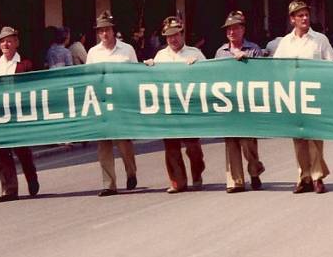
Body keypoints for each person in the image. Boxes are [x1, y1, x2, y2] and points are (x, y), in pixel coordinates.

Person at [273, 0, 333, 194]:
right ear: (292, 19)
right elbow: (278, 68)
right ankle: (304, 176)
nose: (305, 18)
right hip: (293, 95)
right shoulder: (285, 42)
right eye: (300, 15)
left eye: (306, 14)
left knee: (315, 136)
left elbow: (331, 65)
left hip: (315, 94)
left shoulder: (320, 40)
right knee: (299, 137)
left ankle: (317, 177)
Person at [146, 16, 207, 194]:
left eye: (176, 35)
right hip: (169, 108)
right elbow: (153, 80)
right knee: (171, 146)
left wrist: (196, 68)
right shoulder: (161, 56)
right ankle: (177, 181)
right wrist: (148, 69)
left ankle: (197, 173)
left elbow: (208, 77)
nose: (173, 39)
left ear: (182, 34)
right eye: (169, 36)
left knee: (193, 147)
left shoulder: (195, 53)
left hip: (189, 108)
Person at [86, 11, 138, 196]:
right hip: (102, 102)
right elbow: (89, 78)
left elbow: (136, 75)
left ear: (113, 30)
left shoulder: (127, 49)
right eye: (101, 31)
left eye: (107, 30)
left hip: (121, 102)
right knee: (104, 145)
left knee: (124, 143)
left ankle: (131, 172)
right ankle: (109, 184)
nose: (104, 34)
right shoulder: (93, 52)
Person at [213, 10, 266, 193]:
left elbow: (261, 75)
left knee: (247, 141)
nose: (231, 33)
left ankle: (254, 171)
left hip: (247, 102)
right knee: (231, 141)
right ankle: (235, 181)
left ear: (243, 30)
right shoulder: (221, 52)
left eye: (235, 28)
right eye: (228, 30)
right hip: (228, 103)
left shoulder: (253, 49)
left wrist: (247, 62)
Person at [0, 26, 40, 202]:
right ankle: (9, 190)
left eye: (9, 40)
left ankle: (31, 178)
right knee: (2, 152)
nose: (6, 44)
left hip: (19, 114)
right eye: (2, 41)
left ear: (16, 42)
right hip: (1, 114)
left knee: (22, 151)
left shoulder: (25, 64)